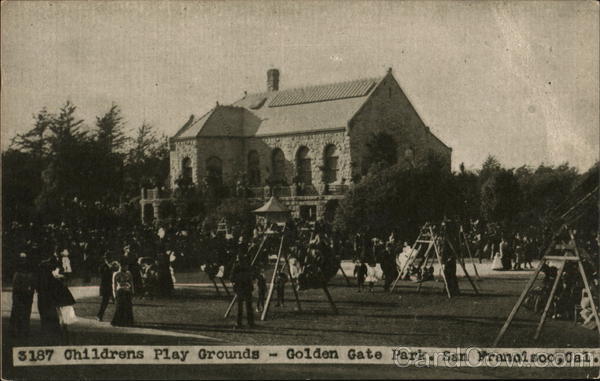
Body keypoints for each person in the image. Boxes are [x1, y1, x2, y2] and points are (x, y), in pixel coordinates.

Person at [9, 253, 36, 337]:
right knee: (18, 312)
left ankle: (24, 331)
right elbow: (15, 287)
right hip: (20, 295)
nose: (23, 261)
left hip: (26, 295)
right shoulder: (17, 273)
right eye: (21, 258)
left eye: (24, 258)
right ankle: (17, 330)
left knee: (25, 312)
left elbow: (32, 285)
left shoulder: (28, 273)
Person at [230, 253, 255, 328]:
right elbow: (231, 277)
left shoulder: (242, 267)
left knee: (246, 306)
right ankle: (244, 322)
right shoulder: (239, 267)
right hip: (241, 287)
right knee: (244, 306)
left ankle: (245, 322)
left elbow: (232, 277)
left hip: (243, 288)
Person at [111, 262, 134, 327]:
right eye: (123, 266)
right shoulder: (116, 274)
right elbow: (114, 284)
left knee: (128, 307)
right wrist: (114, 294)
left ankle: (128, 321)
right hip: (120, 291)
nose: (125, 267)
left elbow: (131, 283)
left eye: (126, 266)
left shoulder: (128, 273)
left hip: (127, 291)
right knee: (120, 307)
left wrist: (132, 291)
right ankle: (118, 321)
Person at [96, 255, 116, 321]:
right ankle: (99, 315)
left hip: (113, 286)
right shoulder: (103, 266)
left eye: (110, 259)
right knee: (105, 302)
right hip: (106, 286)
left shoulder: (114, 266)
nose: (109, 260)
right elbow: (102, 275)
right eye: (107, 259)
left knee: (117, 301)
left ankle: (119, 317)